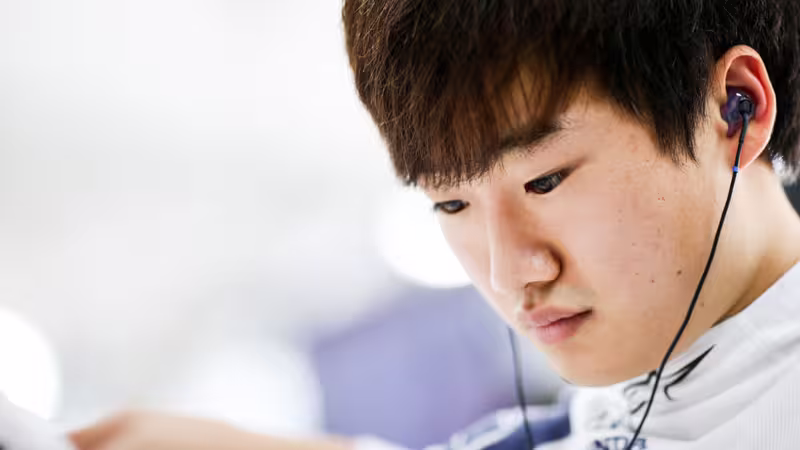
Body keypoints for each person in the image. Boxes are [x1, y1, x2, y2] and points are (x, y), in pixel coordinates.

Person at [68, 0, 800, 449]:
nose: (510, 274)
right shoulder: (651, 385)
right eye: (451, 204)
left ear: (734, 108)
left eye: (545, 180)